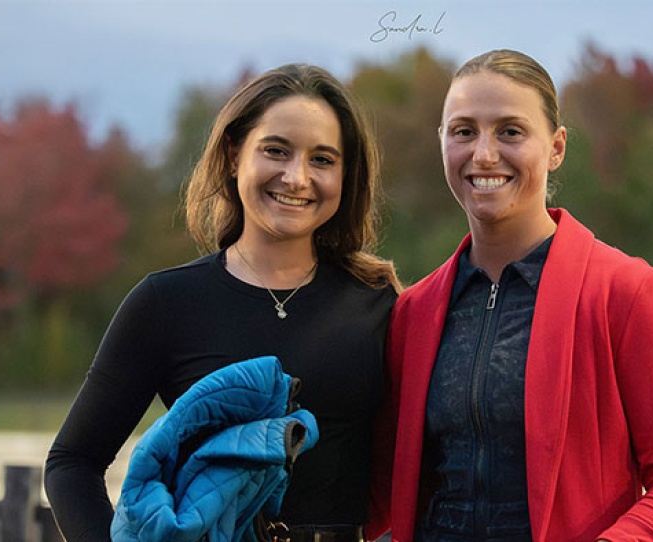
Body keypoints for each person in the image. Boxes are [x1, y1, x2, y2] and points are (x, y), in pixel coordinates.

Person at [367, 49, 653, 542]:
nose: (484, 154)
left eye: (510, 131)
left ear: (556, 148)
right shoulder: (412, 312)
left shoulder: (627, 293)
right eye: (464, 131)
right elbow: (378, 491)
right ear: (442, 141)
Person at [45, 63, 400, 542]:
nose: (296, 177)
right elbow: (73, 464)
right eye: (276, 150)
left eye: (322, 159)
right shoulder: (165, 302)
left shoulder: (380, 304)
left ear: (345, 174)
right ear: (234, 155)